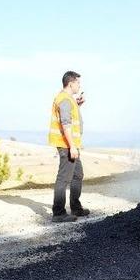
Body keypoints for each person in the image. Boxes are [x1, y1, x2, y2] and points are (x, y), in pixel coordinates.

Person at [48, 71, 90, 222]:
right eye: (78, 82)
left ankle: (76, 208)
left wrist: (77, 105)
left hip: (71, 145)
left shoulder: (69, 99)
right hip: (66, 145)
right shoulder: (65, 99)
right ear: (71, 83)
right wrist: (72, 146)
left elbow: (69, 117)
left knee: (77, 175)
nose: (79, 85)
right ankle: (58, 213)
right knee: (64, 178)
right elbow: (66, 124)